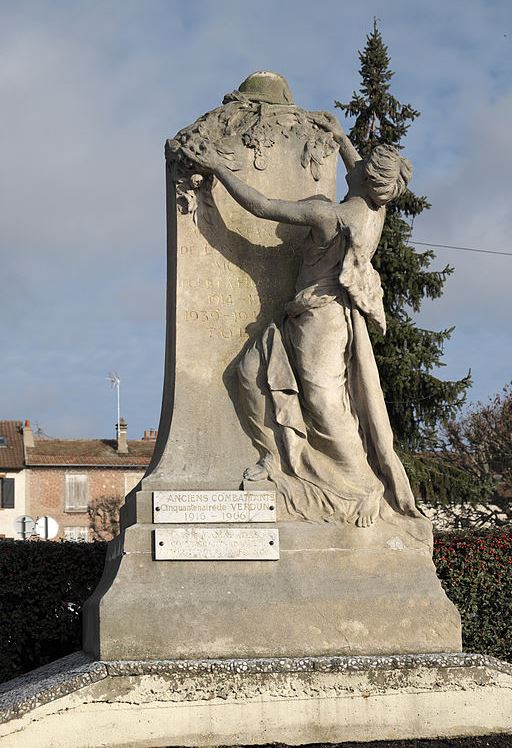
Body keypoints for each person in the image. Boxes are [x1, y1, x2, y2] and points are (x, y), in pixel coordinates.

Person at [179, 113, 420, 527]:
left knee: (324, 402)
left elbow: (263, 206)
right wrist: (343, 141)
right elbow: (358, 169)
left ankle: (359, 483)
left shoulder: (331, 216)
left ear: (367, 179)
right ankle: (277, 455)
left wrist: (217, 167)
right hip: (320, 316)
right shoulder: (374, 213)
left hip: (319, 323)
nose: (355, 162)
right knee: (251, 372)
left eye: (362, 164)